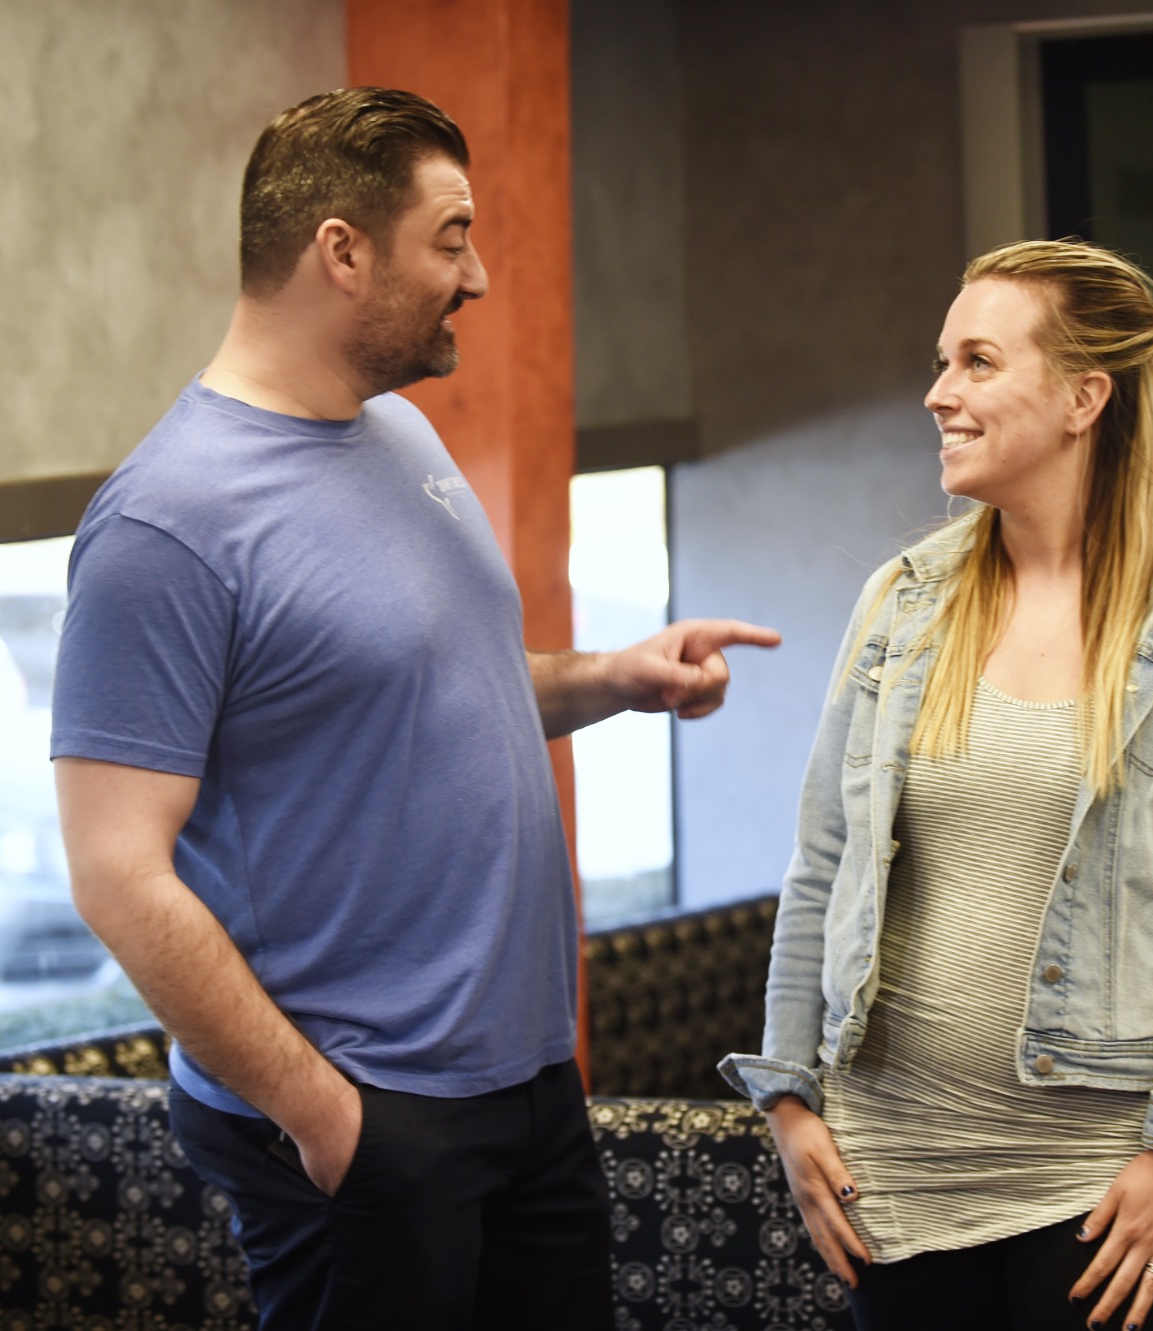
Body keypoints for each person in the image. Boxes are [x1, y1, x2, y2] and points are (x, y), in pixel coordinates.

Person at [50, 87, 777, 1330]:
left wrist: (612, 676)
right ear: (341, 249)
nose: (479, 275)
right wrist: (326, 1118)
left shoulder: (397, 434)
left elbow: (425, 695)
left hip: (528, 1086)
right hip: (364, 1114)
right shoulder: (166, 523)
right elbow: (116, 870)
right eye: (450, 237)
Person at [720, 239, 1153, 1331]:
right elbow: (820, 865)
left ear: (1084, 395)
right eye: (943, 361)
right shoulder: (898, 602)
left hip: (1095, 1185)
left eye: (976, 361)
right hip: (888, 1173)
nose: (938, 393)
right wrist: (789, 1098)